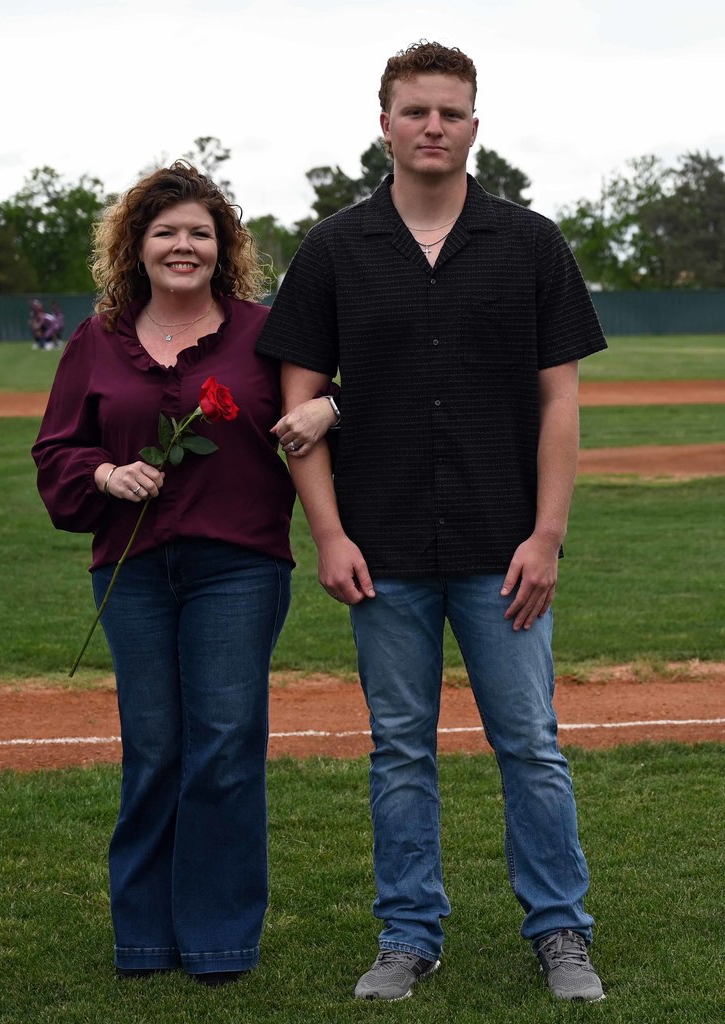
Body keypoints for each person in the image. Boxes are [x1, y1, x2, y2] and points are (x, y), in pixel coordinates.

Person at [257, 41, 608, 1003]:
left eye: (450, 112)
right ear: (385, 124)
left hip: (505, 550)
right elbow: (298, 406)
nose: (433, 127)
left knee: (530, 743)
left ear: (474, 126)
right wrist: (328, 533)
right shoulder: (334, 249)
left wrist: (546, 536)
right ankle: (408, 934)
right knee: (400, 749)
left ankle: (562, 934)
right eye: (416, 111)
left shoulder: (531, 244)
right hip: (385, 550)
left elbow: (561, 406)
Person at [32, 162, 331, 985]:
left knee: (226, 748)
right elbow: (57, 451)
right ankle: (144, 940)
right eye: (165, 231)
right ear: (136, 245)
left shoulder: (265, 334)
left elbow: (325, 401)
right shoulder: (98, 339)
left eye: (200, 231)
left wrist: (332, 404)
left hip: (236, 566)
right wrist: (104, 475)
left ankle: (218, 941)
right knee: (155, 749)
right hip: (130, 574)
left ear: (223, 246)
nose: (183, 245)